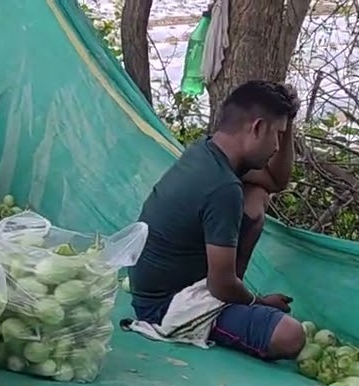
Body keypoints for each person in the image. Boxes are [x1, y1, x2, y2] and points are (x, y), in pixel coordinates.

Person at [126, 80, 305, 361]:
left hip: (159, 285)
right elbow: (220, 285)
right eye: (278, 136)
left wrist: (288, 119)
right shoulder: (222, 187)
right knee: (291, 335)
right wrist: (257, 302)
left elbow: (275, 181)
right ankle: (224, 313)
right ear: (257, 128)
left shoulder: (208, 151)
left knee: (257, 196)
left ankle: (237, 299)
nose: (277, 146)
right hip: (167, 306)